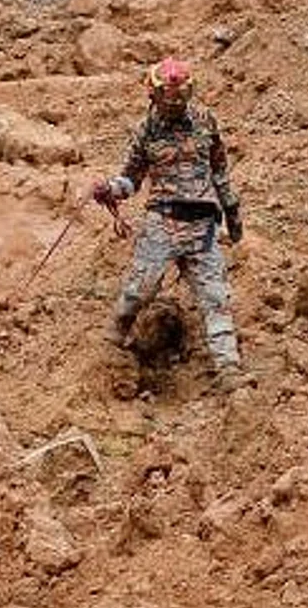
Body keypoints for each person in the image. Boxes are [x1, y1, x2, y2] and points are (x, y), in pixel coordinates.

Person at [91, 57, 245, 373]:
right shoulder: (145, 131)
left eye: (180, 94)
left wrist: (233, 214)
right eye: (167, 95)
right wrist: (109, 189)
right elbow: (131, 179)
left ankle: (230, 370)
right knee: (139, 289)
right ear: (153, 94)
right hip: (161, 221)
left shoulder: (206, 121)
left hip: (202, 224)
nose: (173, 101)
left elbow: (220, 172)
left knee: (215, 297)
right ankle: (110, 347)